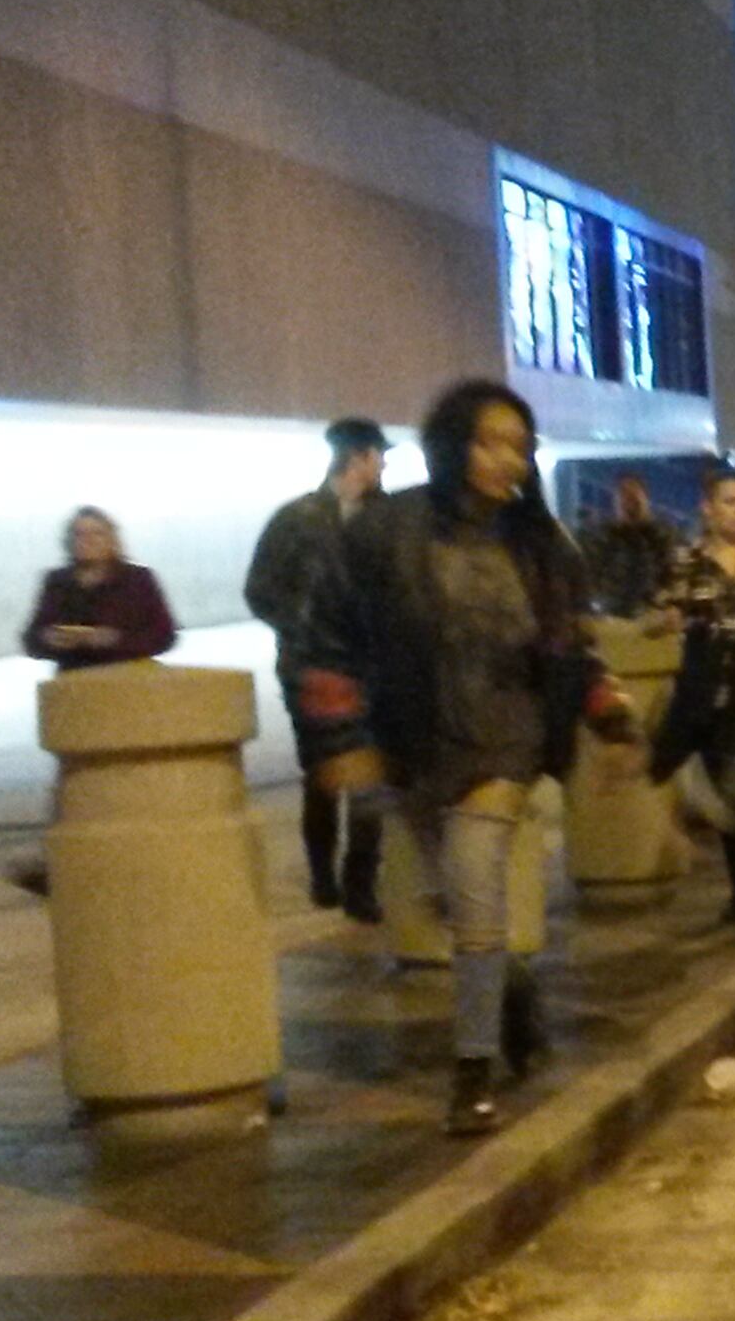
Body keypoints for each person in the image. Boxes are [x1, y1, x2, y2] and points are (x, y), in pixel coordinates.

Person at [296, 382, 629, 1135]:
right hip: (411, 746)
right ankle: (513, 993)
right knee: (456, 904)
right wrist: (343, 744)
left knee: (476, 890)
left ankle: (472, 1070)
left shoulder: (543, 544)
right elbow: (326, 639)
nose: (505, 458)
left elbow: (574, 646)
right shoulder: (385, 532)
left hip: (504, 743)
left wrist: (608, 713)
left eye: (518, 444)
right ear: (452, 444)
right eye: (488, 441)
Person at [246, 418, 390, 917]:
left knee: (373, 776)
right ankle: (323, 876)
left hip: (375, 670)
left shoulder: (390, 519)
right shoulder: (297, 518)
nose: (384, 465)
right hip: (312, 670)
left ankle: (361, 883)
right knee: (324, 775)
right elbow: (259, 589)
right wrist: (303, 631)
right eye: (380, 456)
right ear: (360, 458)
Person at [652, 468, 735, 928]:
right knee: (726, 792)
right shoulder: (688, 561)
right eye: (731, 502)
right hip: (712, 694)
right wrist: (668, 618)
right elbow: (666, 608)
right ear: (708, 508)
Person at [25, 508, 180, 671]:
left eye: (96, 533)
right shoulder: (57, 581)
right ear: (69, 540)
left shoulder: (138, 579)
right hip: (75, 683)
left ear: (112, 539)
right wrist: (49, 639)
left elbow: (165, 636)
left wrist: (114, 640)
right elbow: (31, 640)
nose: (88, 540)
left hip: (131, 680)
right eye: (79, 534)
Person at [584, 473, 680, 616]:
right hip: (613, 618)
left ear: (645, 498)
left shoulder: (662, 535)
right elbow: (593, 576)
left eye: (634, 494)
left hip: (654, 617)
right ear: (615, 500)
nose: (629, 499)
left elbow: (673, 574)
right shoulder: (603, 537)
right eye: (623, 493)